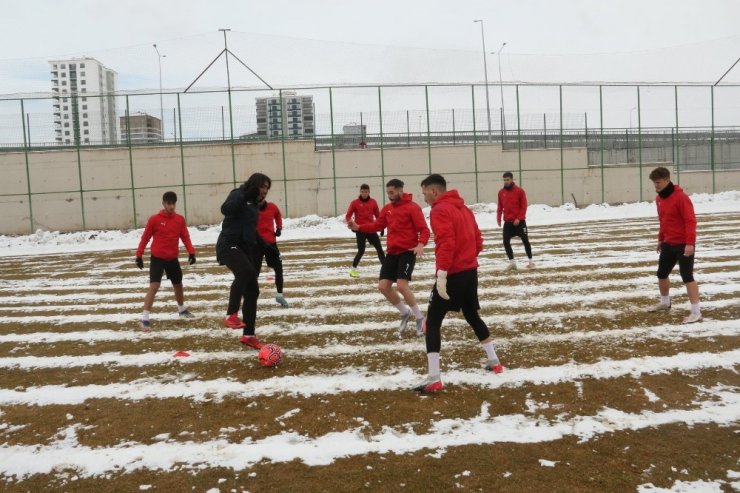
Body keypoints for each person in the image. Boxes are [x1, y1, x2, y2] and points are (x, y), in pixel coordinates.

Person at [413, 174, 503, 393]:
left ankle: (434, 377)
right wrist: (469, 259)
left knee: (432, 322)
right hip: (470, 272)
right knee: (472, 315)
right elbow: (477, 239)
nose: (424, 198)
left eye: (424, 193)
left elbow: (447, 242)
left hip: (452, 273)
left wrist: (442, 274)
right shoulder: (464, 209)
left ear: (434, 191)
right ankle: (495, 362)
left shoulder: (439, 210)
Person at [349, 178, 430, 335]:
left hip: (408, 251)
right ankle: (405, 312)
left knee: (401, 285)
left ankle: (420, 318)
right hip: (392, 253)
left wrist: (421, 244)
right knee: (383, 287)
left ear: (401, 191)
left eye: (392, 192)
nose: (389, 196)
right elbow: (377, 225)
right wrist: (359, 227)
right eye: (388, 193)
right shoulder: (387, 209)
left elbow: (424, 229)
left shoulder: (412, 208)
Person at [216, 173, 272, 349]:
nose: (265, 191)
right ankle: (231, 315)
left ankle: (249, 335)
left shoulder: (254, 205)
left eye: (267, 188)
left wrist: (267, 247)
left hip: (243, 248)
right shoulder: (238, 193)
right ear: (254, 185)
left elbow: (251, 231)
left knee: (253, 291)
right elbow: (226, 209)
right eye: (263, 187)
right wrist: (244, 196)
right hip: (228, 245)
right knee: (246, 272)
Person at [647, 167, 702, 324]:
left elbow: (690, 221)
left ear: (667, 180)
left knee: (687, 276)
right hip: (668, 243)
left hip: (684, 244)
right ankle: (665, 303)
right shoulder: (659, 199)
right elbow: (663, 221)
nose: (655, 186)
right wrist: (660, 239)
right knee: (661, 274)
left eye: (658, 182)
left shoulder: (681, 198)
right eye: (654, 183)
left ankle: (696, 312)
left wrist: (689, 243)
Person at [135, 191, 196, 331]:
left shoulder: (180, 219)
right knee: (154, 286)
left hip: (172, 258)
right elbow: (145, 238)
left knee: (178, 284)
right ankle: (144, 318)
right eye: (169, 203)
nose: (172, 206)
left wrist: (191, 252)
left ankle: (181, 310)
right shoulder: (154, 219)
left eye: (173, 203)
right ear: (163, 203)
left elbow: (185, 237)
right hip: (157, 258)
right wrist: (139, 255)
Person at [345, 184, 385, 278]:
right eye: (362, 191)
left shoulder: (373, 202)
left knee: (379, 249)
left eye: (366, 192)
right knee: (361, 250)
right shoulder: (355, 203)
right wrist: (351, 223)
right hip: (360, 230)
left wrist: (382, 227)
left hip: (371, 229)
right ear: (360, 192)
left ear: (369, 192)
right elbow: (348, 216)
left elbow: (378, 216)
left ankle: (385, 270)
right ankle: (353, 270)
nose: (364, 193)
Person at [496, 171, 534, 270]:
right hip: (508, 223)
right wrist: (498, 218)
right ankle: (512, 263)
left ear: (512, 180)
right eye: (504, 180)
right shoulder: (501, 192)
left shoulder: (520, 191)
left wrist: (519, 218)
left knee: (525, 241)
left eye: (507, 180)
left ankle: (531, 262)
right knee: (505, 242)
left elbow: (524, 206)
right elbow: (500, 207)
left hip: (519, 222)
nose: (506, 182)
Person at [257, 198, 288, 307]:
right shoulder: (251, 209)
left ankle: (280, 295)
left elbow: (278, 215)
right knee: (253, 272)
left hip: (271, 245)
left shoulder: (272, 207)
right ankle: (249, 296)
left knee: (279, 268)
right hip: (256, 245)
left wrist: (279, 228)